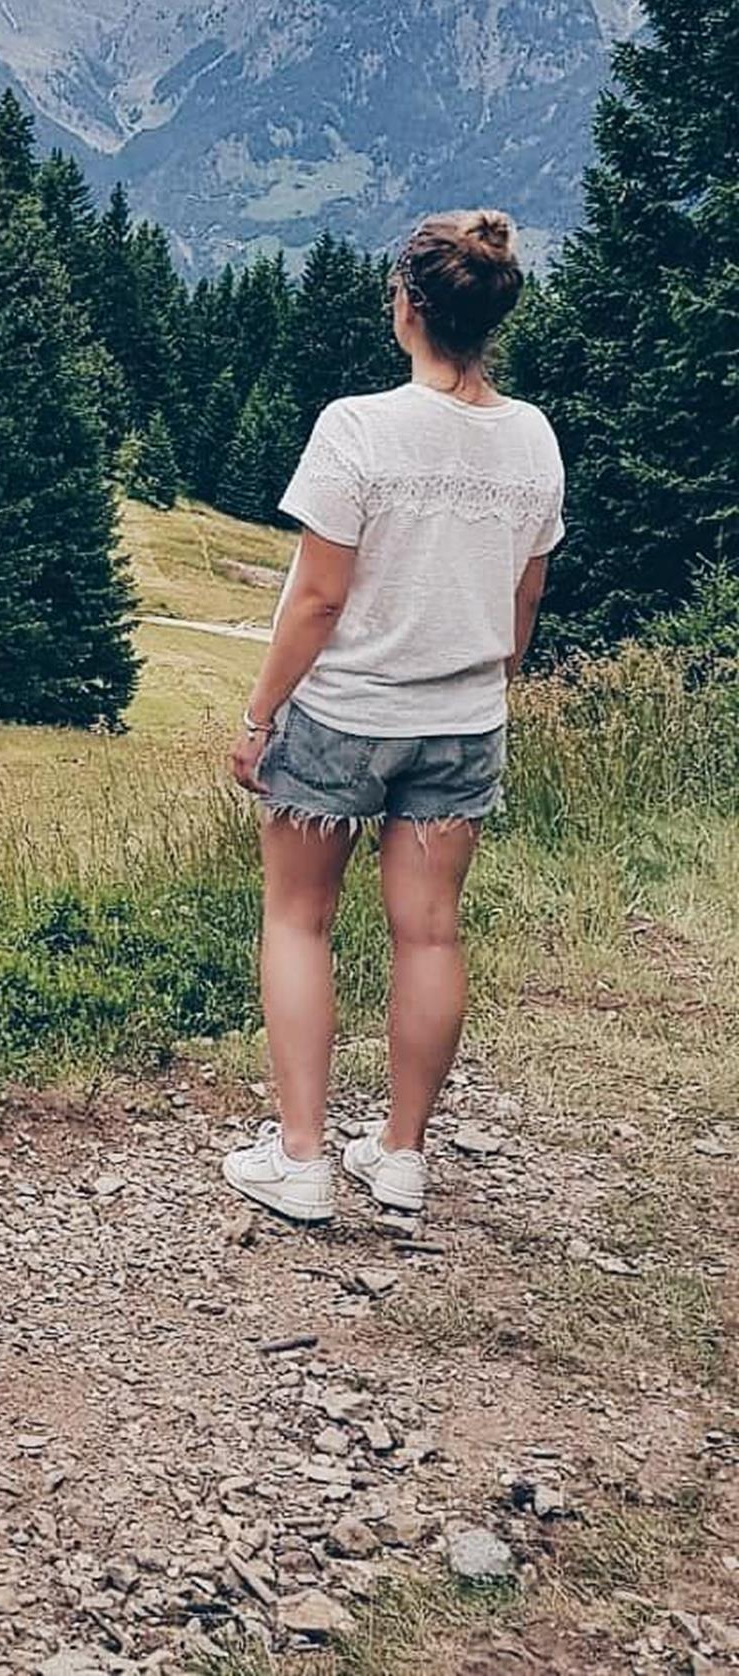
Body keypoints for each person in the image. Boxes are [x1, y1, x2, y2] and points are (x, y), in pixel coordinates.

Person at [221, 210, 564, 1224]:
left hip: (344, 716)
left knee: (299, 919)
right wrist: (490, 668)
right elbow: (525, 597)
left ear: (410, 308)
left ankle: (302, 1159)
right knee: (429, 933)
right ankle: (402, 1157)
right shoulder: (533, 436)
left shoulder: (358, 426)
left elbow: (318, 597)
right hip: (463, 718)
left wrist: (256, 714)